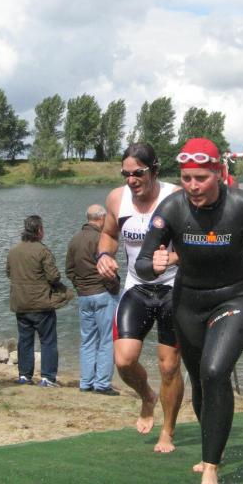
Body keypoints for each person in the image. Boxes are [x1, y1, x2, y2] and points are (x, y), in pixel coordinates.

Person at [136, 137, 243, 484]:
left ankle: (211, 468)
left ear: (219, 173)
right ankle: (212, 448)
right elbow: (143, 262)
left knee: (215, 370)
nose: (193, 186)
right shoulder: (171, 208)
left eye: (201, 178)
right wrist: (153, 264)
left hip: (237, 296)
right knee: (200, 380)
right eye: (187, 178)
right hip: (188, 302)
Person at [96, 142, 184, 453]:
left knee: (169, 367)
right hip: (137, 286)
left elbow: (197, 242)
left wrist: (171, 259)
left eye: (138, 173)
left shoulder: (176, 197)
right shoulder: (116, 199)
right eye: (126, 174)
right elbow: (108, 234)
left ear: (154, 170)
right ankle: (147, 395)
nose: (131, 180)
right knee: (124, 360)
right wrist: (104, 256)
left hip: (174, 287)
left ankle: (168, 431)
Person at [6, 215, 73, 387]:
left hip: (20, 303)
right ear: (39, 231)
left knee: (25, 340)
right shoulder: (42, 251)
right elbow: (54, 276)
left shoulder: (13, 251)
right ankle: (48, 377)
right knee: (48, 341)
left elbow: (8, 273)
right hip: (41, 304)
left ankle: (24, 376)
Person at [66, 204, 120, 395]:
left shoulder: (74, 239)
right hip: (102, 293)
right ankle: (102, 383)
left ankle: (85, 382)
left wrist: (80, 286)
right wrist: (114, 288)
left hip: (84, 295)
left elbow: (69, 270)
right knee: (107, 340)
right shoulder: (101, 240)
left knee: (87, 340)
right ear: (102, 218)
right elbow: (109, 269)